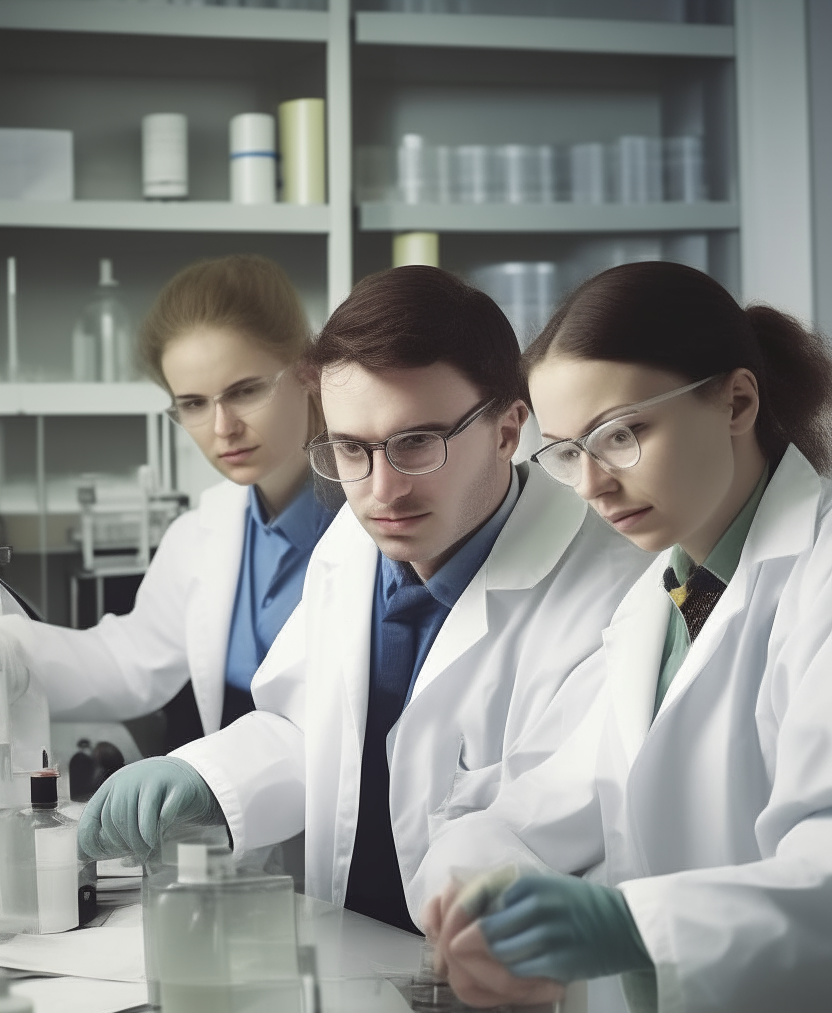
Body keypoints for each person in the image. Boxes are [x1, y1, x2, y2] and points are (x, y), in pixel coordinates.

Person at [426, 261, 832, 1013]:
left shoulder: (816, 585)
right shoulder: (661, 598)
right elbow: (539, 801)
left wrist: (631, 929)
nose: (593, 483)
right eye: (565, 452)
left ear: (737, 400)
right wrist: (481, 883)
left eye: (621, 434)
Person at [77, 265, 650, 935]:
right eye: (350, 449)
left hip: (507, 973)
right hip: (354, 944)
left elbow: (554, 815)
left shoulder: (611, 588)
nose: (381, 491)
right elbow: (306, 728)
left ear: (506, 429)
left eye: (416, 444)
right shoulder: (353, 542)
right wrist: (208, 777)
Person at [0, 255, 335, 742]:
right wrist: (11, 651)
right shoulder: (202, 532)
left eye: (244, 391)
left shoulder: (376, 519)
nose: (223, 428)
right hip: (233, 805)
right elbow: (131, 661)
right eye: (193, 404)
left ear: (307, 373)